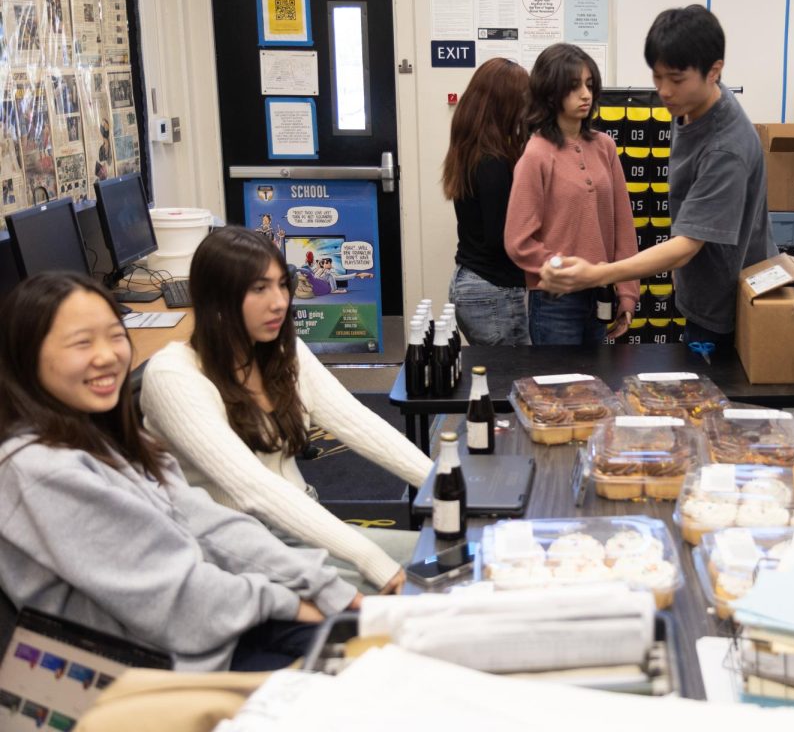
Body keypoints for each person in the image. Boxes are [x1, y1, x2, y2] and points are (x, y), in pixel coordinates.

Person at [0, 273, 359, 671]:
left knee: (373, 645)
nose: (107, 355)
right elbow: (173, 602)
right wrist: (290, 603)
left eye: (115, 336)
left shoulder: (107, 435)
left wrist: (321, 586)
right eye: (82, 343)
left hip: (211, 634)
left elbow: (212, 526)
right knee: (365, 677)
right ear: (25, 355)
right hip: (154, 672)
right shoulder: (40, 470)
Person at [140, 226, 433, 595]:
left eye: (282, 285)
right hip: (237, 551)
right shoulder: (174, 376)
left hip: (299, 520)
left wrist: (446, 483)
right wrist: (375, 564)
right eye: (259, 289)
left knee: (449, 563)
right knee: (421, 588)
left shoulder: (281, 350)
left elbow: (359, 424)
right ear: (217, 299)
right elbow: (254, 490)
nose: (279, 302)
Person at [538, 5, 774, 355]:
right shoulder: (689, 109)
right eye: (657, 77)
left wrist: (599, 275)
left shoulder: (726, 148)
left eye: (675, 79)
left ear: (714, 71)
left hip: (729, 310)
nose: (663, 91)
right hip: (701, 294)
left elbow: (685, 246)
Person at [505, 43, 639, 345]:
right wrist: (566, 270)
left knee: (597, 387)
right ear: (551, 92)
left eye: (590, 85)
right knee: (561, 390)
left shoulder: (605, 146)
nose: (586, 94)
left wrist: (627, 293)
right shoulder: (537, 154)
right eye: (574, 85)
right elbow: (519, 241)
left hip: (601, 295)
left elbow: (623, 227)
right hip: (555, 301)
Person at [442, 57, 533, 345]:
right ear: (504, 104)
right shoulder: (494, 161)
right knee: (509, 381)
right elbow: (502, 238)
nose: (528, 108)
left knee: (496, 378)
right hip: (493, 291)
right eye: (523, 99)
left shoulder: (470, 150)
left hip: (471, 280)